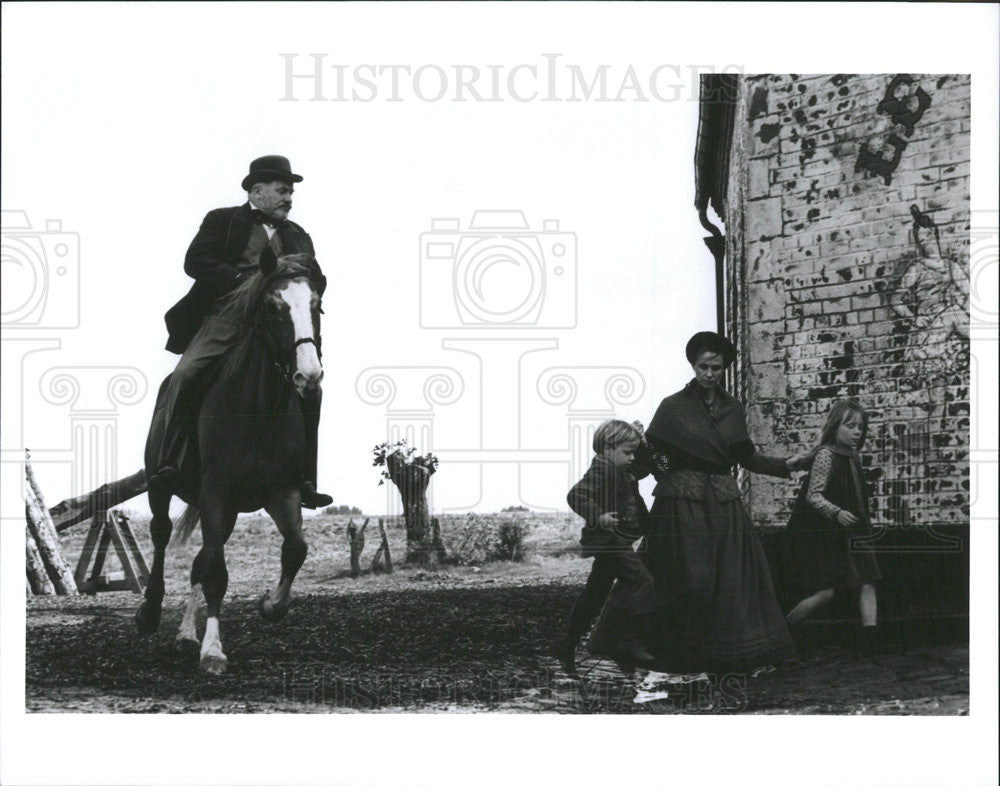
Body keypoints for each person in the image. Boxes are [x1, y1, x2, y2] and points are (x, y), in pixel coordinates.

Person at [590, 331, 809, 674]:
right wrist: (631, 470)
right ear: (693, 365)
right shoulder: (673, 407)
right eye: (703, 366)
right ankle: (649, 645)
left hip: (723, 503)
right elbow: (655, 458)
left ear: (724, 369)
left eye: (716, 367)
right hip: (681, 503)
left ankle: (729, 655)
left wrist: (784, 465)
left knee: (733, 579)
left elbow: (746, 457)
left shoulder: (732, 408)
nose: (709, 373)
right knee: (685, 577)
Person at [148, 155, 332, 509]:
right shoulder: (221, 220)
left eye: (291, 192)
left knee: (312, 386)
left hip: (274, 325)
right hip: (225, 318)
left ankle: (306, 478)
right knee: (185, 373)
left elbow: (315, 277)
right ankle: (170, 461)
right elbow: (195, 262)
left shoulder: (299, 236)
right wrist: (237, 280)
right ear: (257, 191)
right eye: (282, 191)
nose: (289, 198)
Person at [551, 420, 659, 676]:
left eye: (633, 452)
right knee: (643, 582)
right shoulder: (601, 469)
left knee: (595, 593)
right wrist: (599, 516)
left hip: (615, 541)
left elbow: (651, 466)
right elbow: (576, 495)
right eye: (627, 452)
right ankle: (626, 642)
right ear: (607, 449)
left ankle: (567, 643)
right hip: (610, 542)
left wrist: (642, 443)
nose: (632, 458)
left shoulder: (622, 467)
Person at [785, 399, 881, 656]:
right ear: (835, 427)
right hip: (831, 534)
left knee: (868, 580)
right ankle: (782, 633)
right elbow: (814, 495)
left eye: (860, 427)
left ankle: (871, 641)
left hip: (857, 530)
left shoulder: (853, 456)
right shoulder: (826, 455)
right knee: (825, 593)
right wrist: (836, 512)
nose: (857, 432)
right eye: (850, 426)